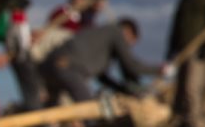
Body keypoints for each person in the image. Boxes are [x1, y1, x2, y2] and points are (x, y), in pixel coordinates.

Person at [40, 18, 169, 108]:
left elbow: (103, 77)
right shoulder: (116, 33)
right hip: (69, 67)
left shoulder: (102, 38)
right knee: (88, 110)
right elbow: (132, 66)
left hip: (51, 65)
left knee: (47, 111)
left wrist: (124, 90)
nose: (127, 47)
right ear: (128, 32)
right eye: (129, 43)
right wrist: (159, 70)